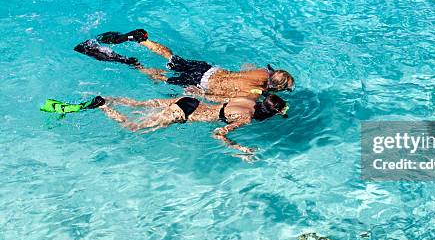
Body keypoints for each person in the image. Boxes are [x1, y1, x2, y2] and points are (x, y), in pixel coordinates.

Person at [74, 29, 294, 100]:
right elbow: (217, 97)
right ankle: (129, 62)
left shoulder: (259, 73)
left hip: (209, 69)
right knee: (159, 76)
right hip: (201, 81)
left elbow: (245, 66)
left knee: (172, 58)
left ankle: (142, 40)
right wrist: (198, 94)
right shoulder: (252, 95)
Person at [47, 93, 289, 155]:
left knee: (140, 104)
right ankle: (102, 105)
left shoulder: (248, 100)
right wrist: (239, 148)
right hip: (183, 114)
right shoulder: (246, 118)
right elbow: (218, 133)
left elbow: (216, 99)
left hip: (189, 101)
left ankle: (109, 98)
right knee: (132, 127)